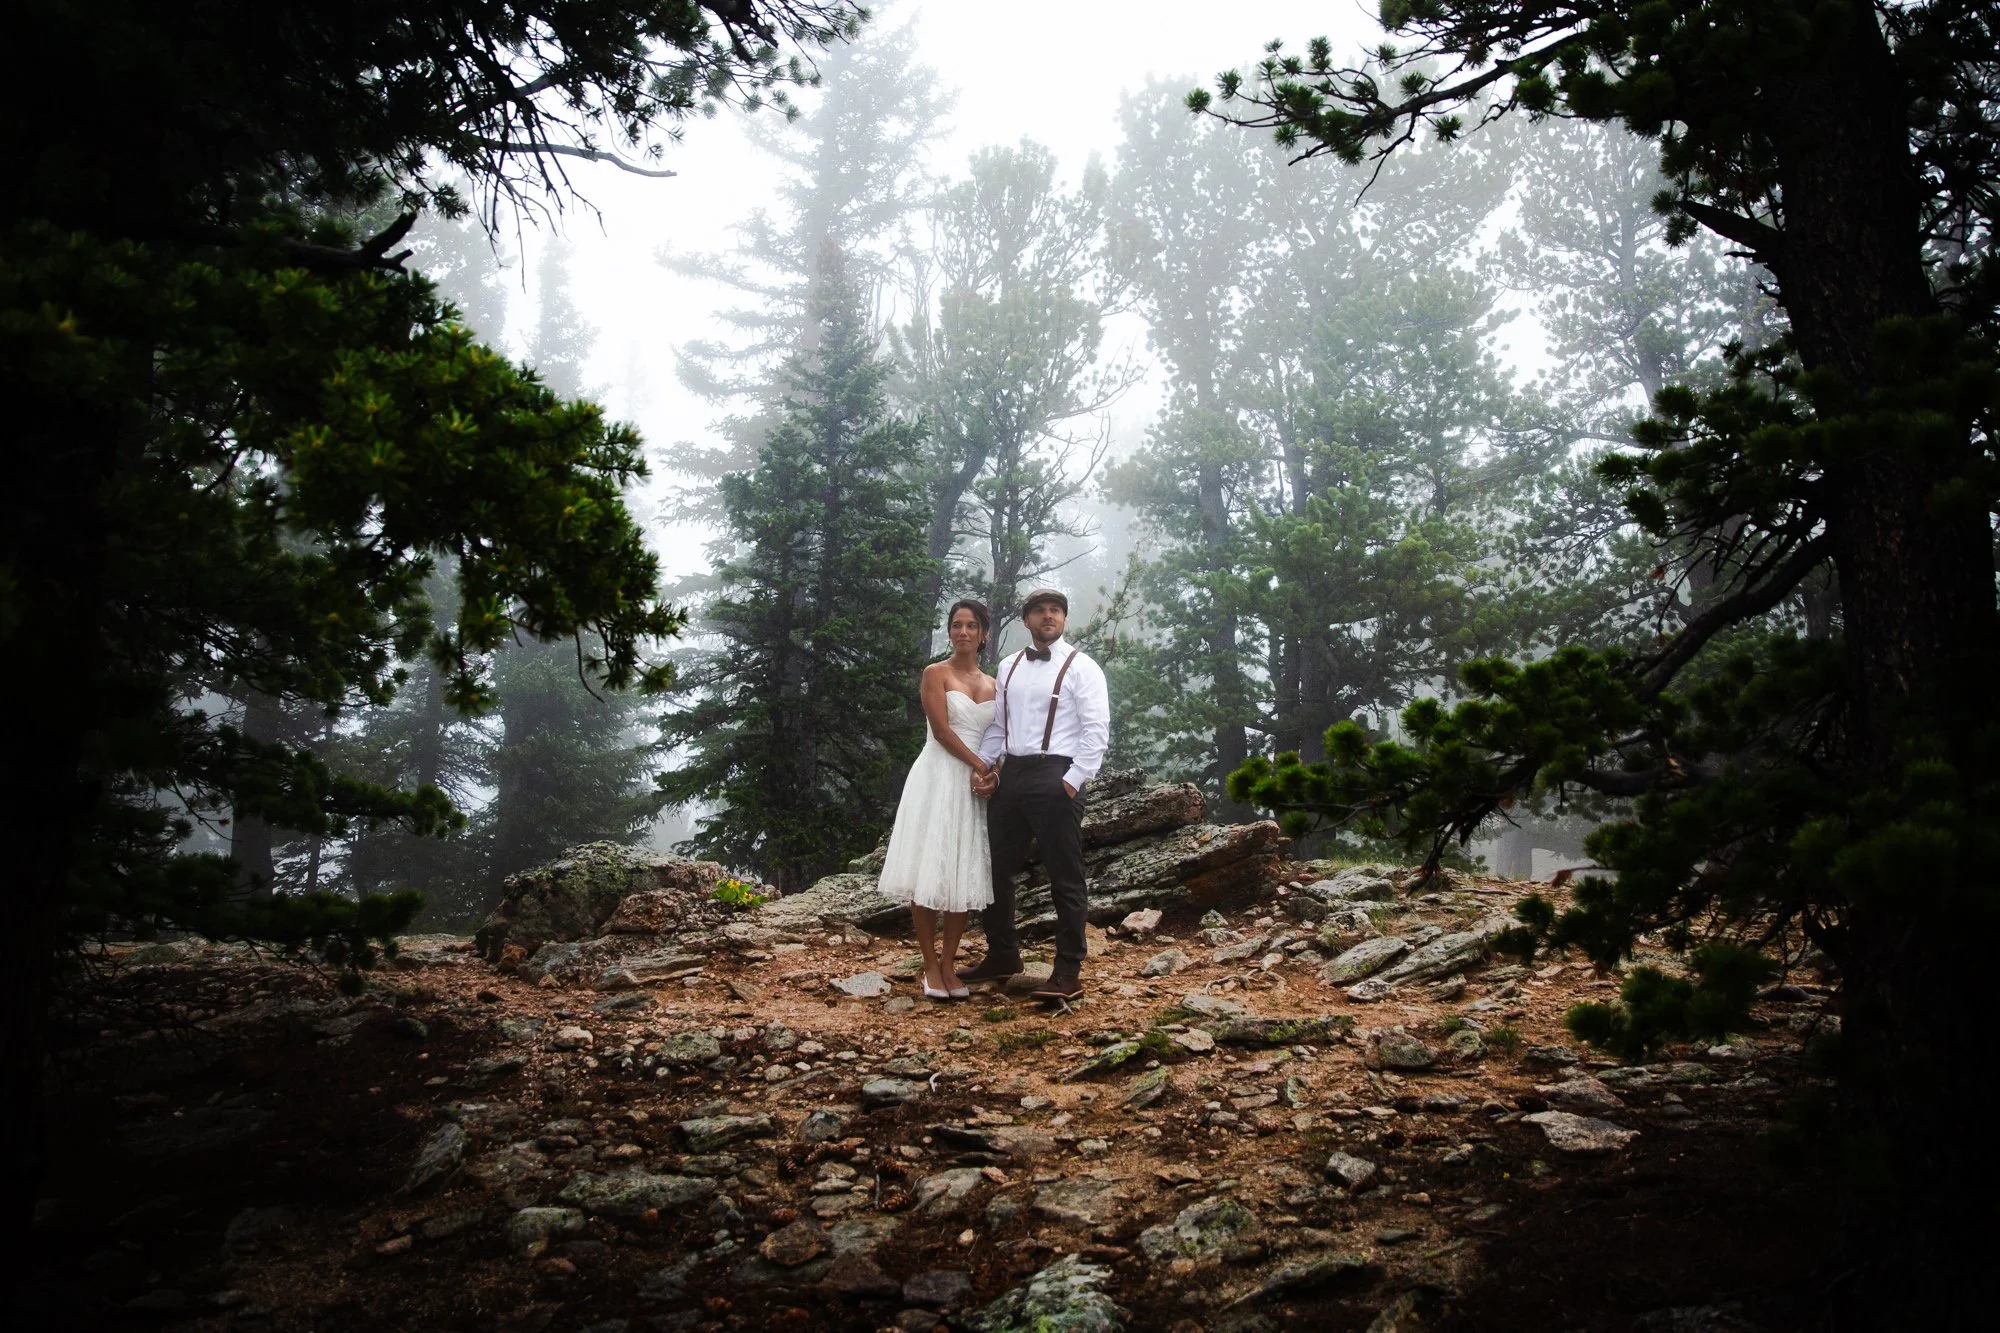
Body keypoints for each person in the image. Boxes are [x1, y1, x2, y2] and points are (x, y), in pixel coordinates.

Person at [963, 589, 1111, 1003]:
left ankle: (1067, 972)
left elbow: (1096, 729)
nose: (1048, 616)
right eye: (1040, 611)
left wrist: (1073, 779)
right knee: (993, 868)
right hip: (1012, 775)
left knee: (1064, 875)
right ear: (1027, 620)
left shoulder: (1083, 667)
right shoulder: (1008, 666)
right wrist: (986, 765)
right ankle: (1004, 955)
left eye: (1056, 611)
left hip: (1057, 774)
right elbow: (998, 727)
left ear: (1064, 619)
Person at [876, 600, 997, 999]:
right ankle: (929, 966)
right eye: (956, 625)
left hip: (973, 785)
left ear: (983, 634)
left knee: (962, 870)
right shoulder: (935, 673)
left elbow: (1001, 739)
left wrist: (993, 774)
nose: (963, 632)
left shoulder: (995, 685)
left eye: (971, 626)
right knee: (930, 868)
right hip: (937, 776)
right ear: (949, 632)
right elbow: (943, 732)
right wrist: (981, 764)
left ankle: (949, 963)